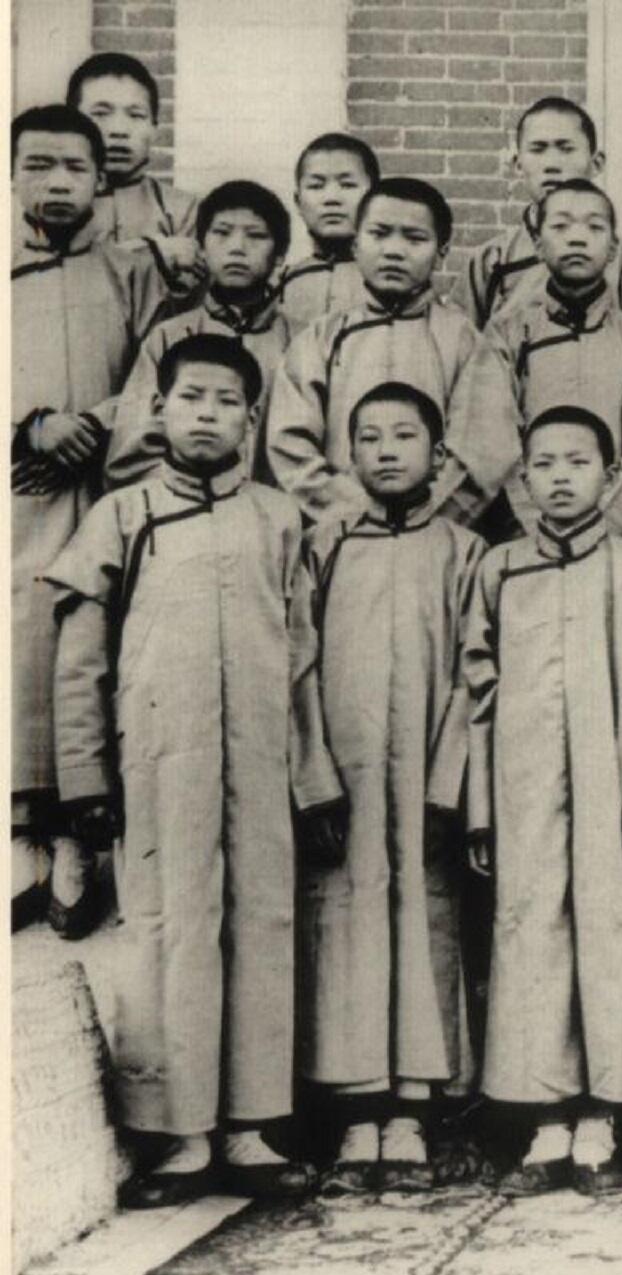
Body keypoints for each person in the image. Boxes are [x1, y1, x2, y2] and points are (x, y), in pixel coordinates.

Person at [46, 334, 344, 1208]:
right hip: (161, 761)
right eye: (191, 398)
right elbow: (80, 664)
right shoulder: (123, 517)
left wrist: (313, 778)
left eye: (226, 401)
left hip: (257, 763)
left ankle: (250, 1128)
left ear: (252, 419)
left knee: (260, 924)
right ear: (157, 411)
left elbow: (300, 662)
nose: (207, 414)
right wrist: (85, 780)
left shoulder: (277, 518)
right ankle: (180, 1136)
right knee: (173, 930)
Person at [463, 405, 622, 1196]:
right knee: (530, 938)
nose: (559, 477)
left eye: (578, 461)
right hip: (522, 795)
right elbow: (476, 694)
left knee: (605, 935)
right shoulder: (499, 569)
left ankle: (601, 1117)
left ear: (609, 474)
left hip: (608, 789)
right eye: (543, 463)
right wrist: (482, 807)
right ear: (521, 478)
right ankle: (544, 1117)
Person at [303, 382, 487, 1196]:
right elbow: (295, 661)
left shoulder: (463, 551)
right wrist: (312, 780)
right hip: (342, 780)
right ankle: (355, 1110)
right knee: (345, 923)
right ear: (349, 455)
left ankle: (415, 1105)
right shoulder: (321, 544)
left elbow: (475, 672)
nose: (386, 451)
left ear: (439, 456)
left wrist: (448, 785)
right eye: (369, 437)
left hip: (425, 784)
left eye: (405, 436)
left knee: (426, 920)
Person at [11, 104, 167, 935]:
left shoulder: (133, 270)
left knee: (93, 650)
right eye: (38, 166)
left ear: (102, 180)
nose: (57, 182)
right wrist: (30, 428)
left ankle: (80, 834)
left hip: (104, 491)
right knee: (23, 644)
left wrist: (96, 422)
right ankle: (23, 830)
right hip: (21, 493)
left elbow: (160, 366)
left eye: (74, 168)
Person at [266, 176, 518, 531]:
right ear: (356, 244)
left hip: (436, 535)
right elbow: (290, 443)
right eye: (379, 234)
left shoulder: (463, 339)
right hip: (340, 535)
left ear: (442, 251)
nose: (394, 251)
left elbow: (484, 448)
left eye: (415, 238)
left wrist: (427, 518)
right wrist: (350, 514)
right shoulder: (320, 339)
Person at [486, 179, 622, 538]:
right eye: (561, 226)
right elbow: (492, 431)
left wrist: (602, 526)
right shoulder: (506, 332)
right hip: (523, 535)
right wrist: (537, 527)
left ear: (613, 248)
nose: (577, 238)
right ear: (537, 244)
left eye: (595, 227)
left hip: (616, 535)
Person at [108, 180, 296, 485]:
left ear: (279, 256)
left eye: (256, 236)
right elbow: (132, 454)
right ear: (202, 247)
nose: (237, 247)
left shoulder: (300, 341)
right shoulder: (168, 337)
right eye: (221, 233)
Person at [456, 97, 622, 330]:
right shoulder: (490, 263)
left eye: (566, 149)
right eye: (538, 149)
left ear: (596, 163)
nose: (551, 164)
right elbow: (462, 353)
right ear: (518, 163)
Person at [66, 52, 202, 296]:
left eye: (136, 115)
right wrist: (153, 254)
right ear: (73, 122)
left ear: (154, 129)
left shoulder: (185, 211)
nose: (119, 130)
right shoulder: (51, 202)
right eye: (101, 113)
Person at [278, 132, 378, 329]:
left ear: (375, 198)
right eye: (316, 186)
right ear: (298, 202)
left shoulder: (392, 282)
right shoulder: (280, 286)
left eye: (348, 185)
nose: (331, 198)